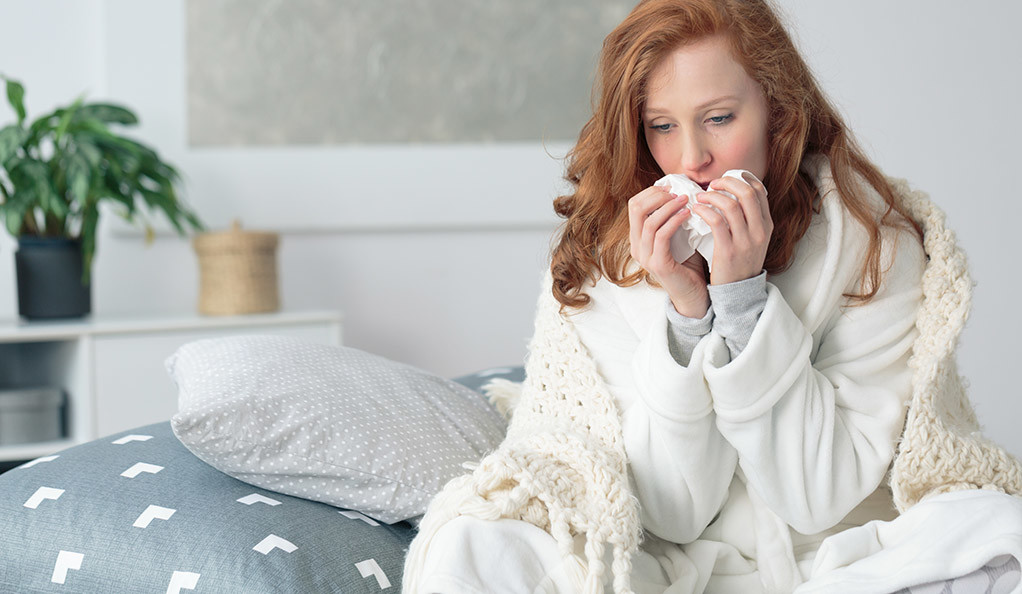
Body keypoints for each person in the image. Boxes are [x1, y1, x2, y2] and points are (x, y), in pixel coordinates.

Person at [402, 1, 1022, 593]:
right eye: (662, 127)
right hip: (671, 566)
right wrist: (687, 314)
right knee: (473, 541)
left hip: (844, 555)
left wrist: (744, 302)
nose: (692, 157)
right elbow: (672, 513)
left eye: (719, 118)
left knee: (999, 528)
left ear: (779, 112)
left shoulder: (874, 243)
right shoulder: (603, 258)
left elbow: (817, 496)